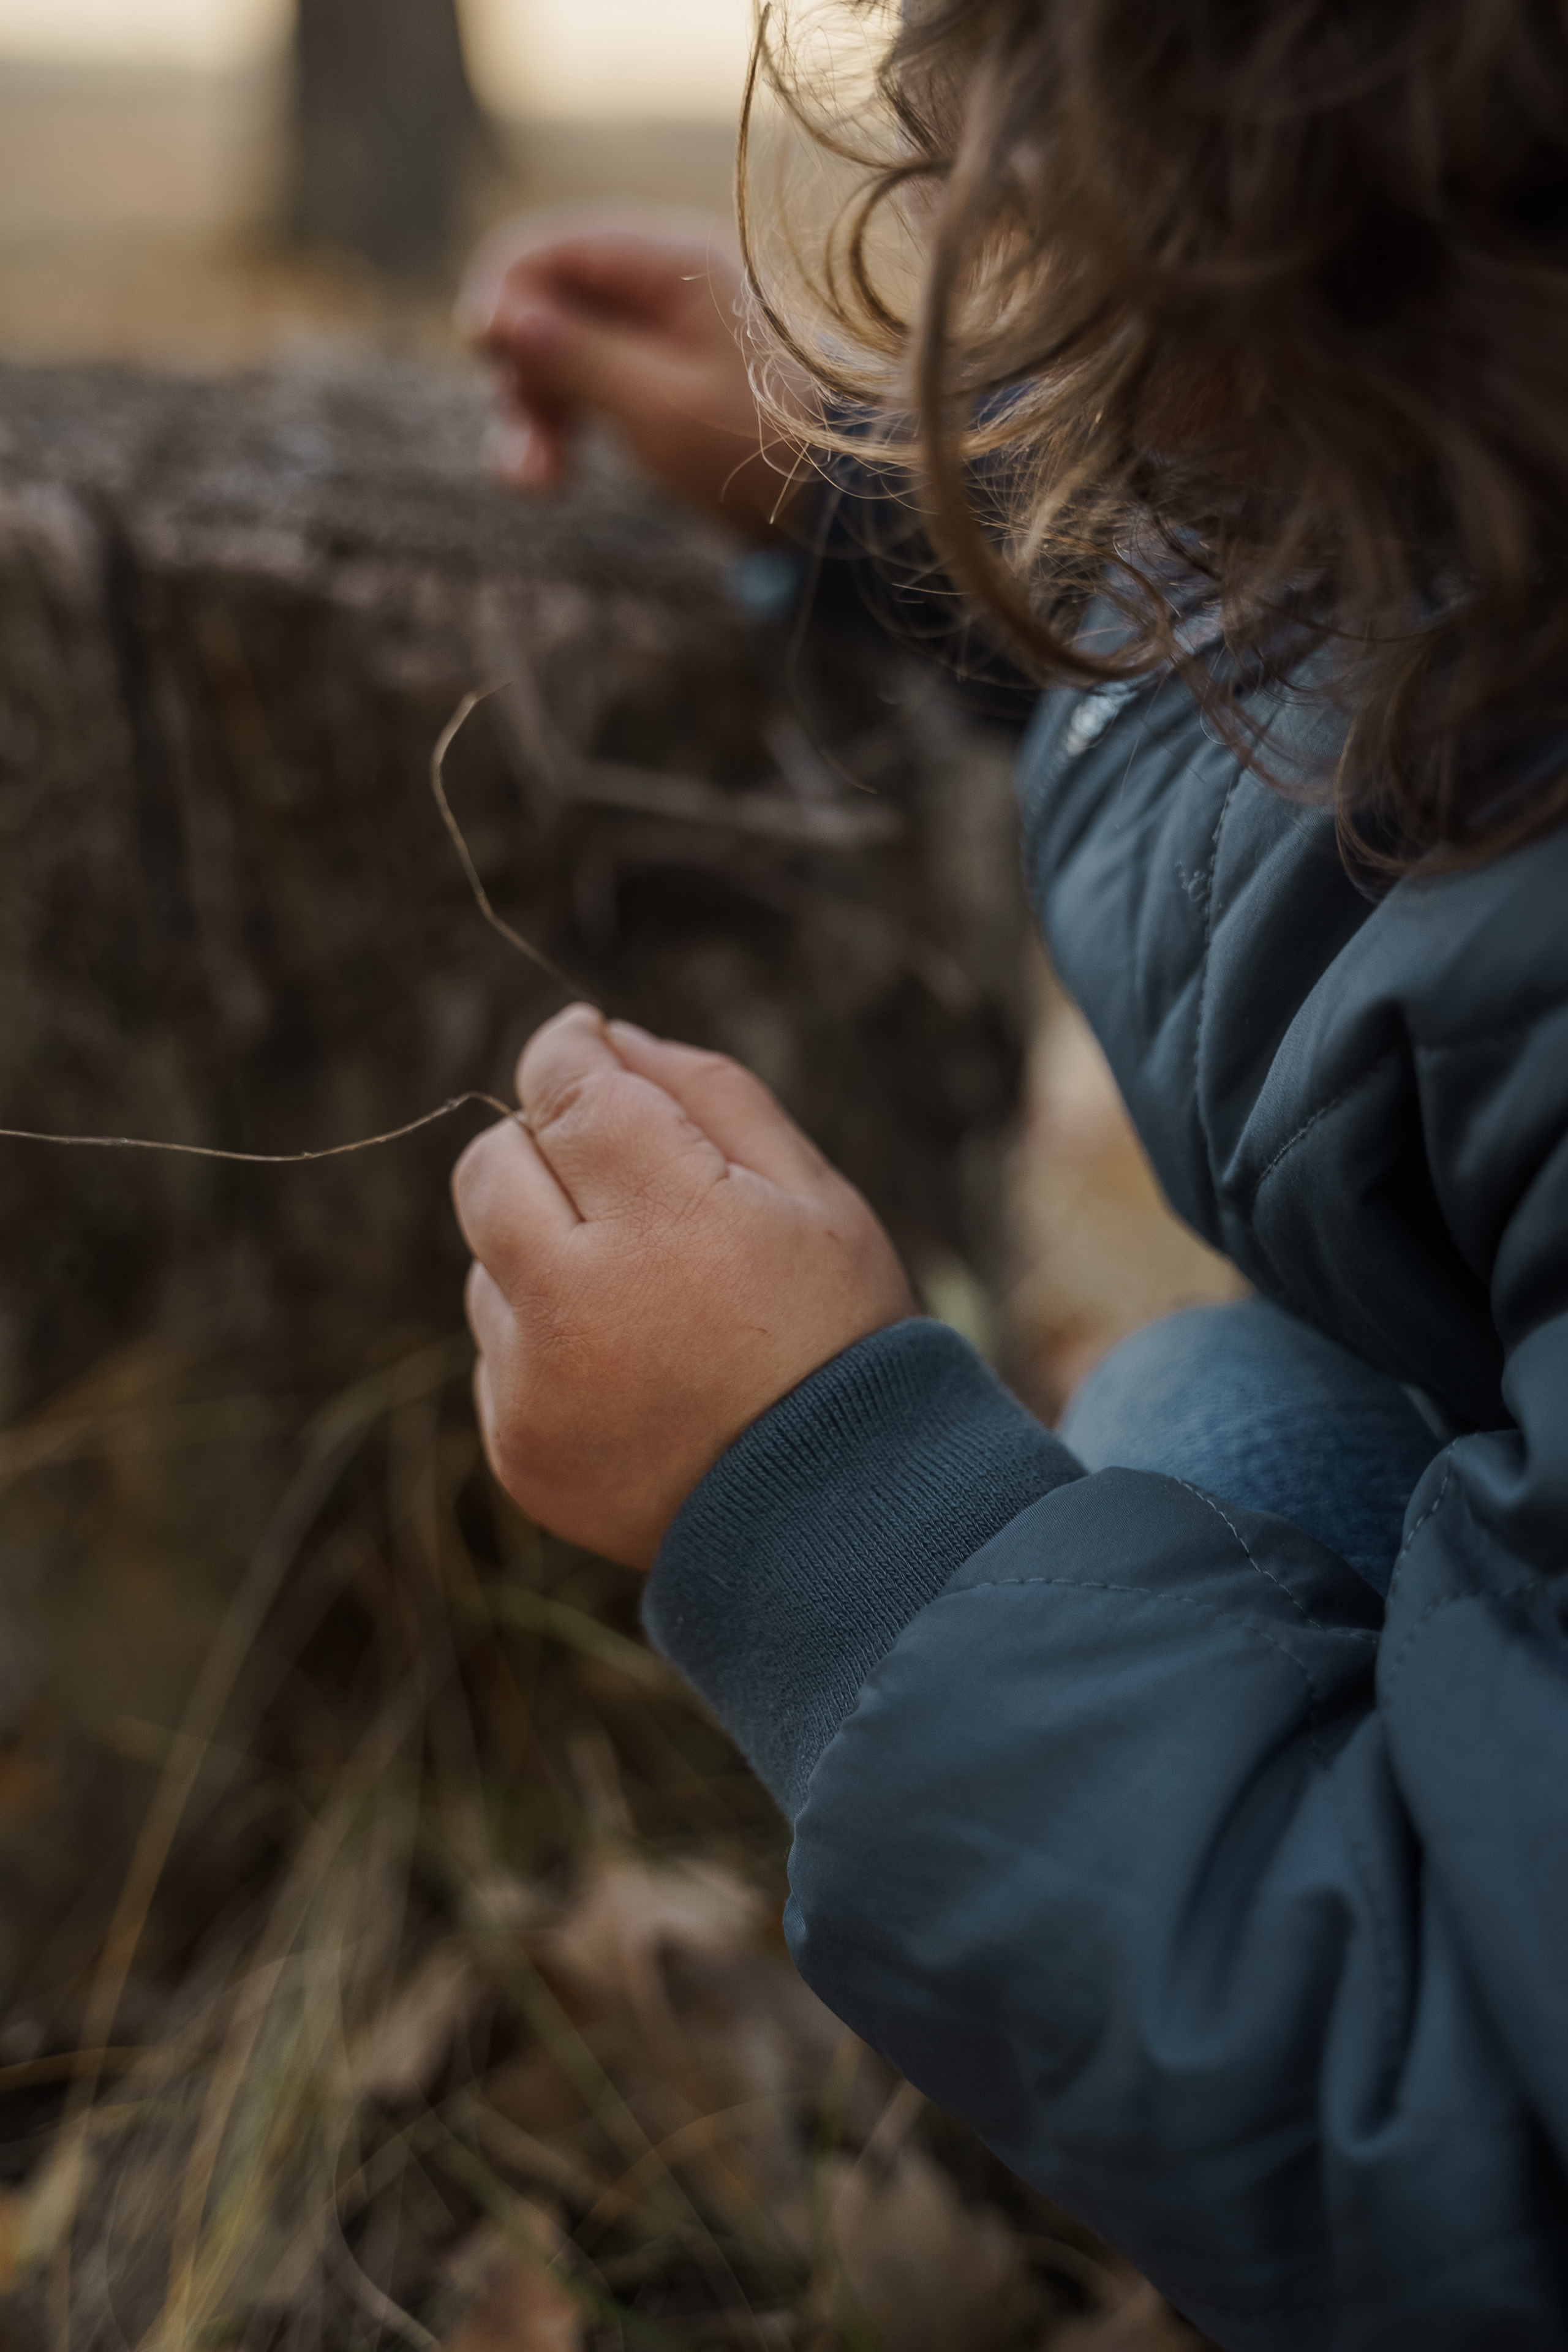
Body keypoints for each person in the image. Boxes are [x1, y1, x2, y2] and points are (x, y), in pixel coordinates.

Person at [450, 8, 1568, 2344]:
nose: (969, 234)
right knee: (1229, 1418)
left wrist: (821, 1501)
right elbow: (1355, 681)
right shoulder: (1504, 573)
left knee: (1206, 1440)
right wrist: (901, 503)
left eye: (1096, 261)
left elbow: (1501, 2154)